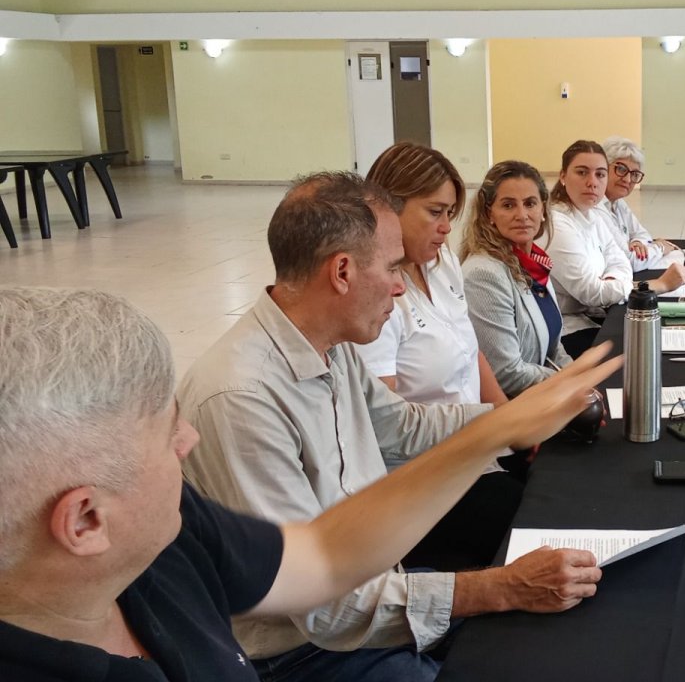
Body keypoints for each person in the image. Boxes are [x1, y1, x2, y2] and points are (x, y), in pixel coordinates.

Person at [0, 286, 618, 681]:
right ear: (85, 521)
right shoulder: (235, 399)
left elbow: (323, 555)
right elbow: (330, 610)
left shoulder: (165, 534)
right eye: (167, 435)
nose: (189, 441)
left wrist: (494, 430)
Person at [177, 172, 607, 682]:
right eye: (391, 267)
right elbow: (323, 609)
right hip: (301, 653)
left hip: (371, 591)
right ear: (342, 271)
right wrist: (500, 587)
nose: (401, 285)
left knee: (558, 638)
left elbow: (400, 425)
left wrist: (510, 419)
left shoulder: (328, 343)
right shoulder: (241, 398)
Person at [358, 141, 507, 407]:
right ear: (388, 207)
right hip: (441, 433)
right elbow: (385, 417)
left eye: (449, 213)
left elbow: (471, 354)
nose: (447, 227)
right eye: (435, 212)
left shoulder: (443, 261)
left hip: (479, 424)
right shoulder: (372, 293)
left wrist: (506, 414)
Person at [543, 140, 685, 358]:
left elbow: (620, 261)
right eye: (582, 172)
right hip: (566, 328)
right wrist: (657, 285)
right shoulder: (558, 224)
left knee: (654, 340)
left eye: (600, 174)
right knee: (643, 351)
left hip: (593, 314)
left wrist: (609, 282)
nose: (592, 182)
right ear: (563, 176)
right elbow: (592, 293)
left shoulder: (590, 213)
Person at [460, 160, 574, 398]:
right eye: (508, 205)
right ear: (489, 214)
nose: (522, 215)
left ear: (543, 210)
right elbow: (506, 374)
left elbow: (553, 346)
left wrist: (576, 375)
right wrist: (570, 382)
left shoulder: (535, 262)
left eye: (530, 203)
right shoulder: (483, 273)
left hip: (545, 394)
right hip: (517, 406)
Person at [598, 136, 679, 272]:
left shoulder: (618, 203)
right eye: (621, 169)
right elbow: (630, 261)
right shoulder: (596, 207)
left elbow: (642, 233)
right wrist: (661, 247)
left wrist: (637, 242)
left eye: (635, 174)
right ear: (602, 168)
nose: (628, 179)